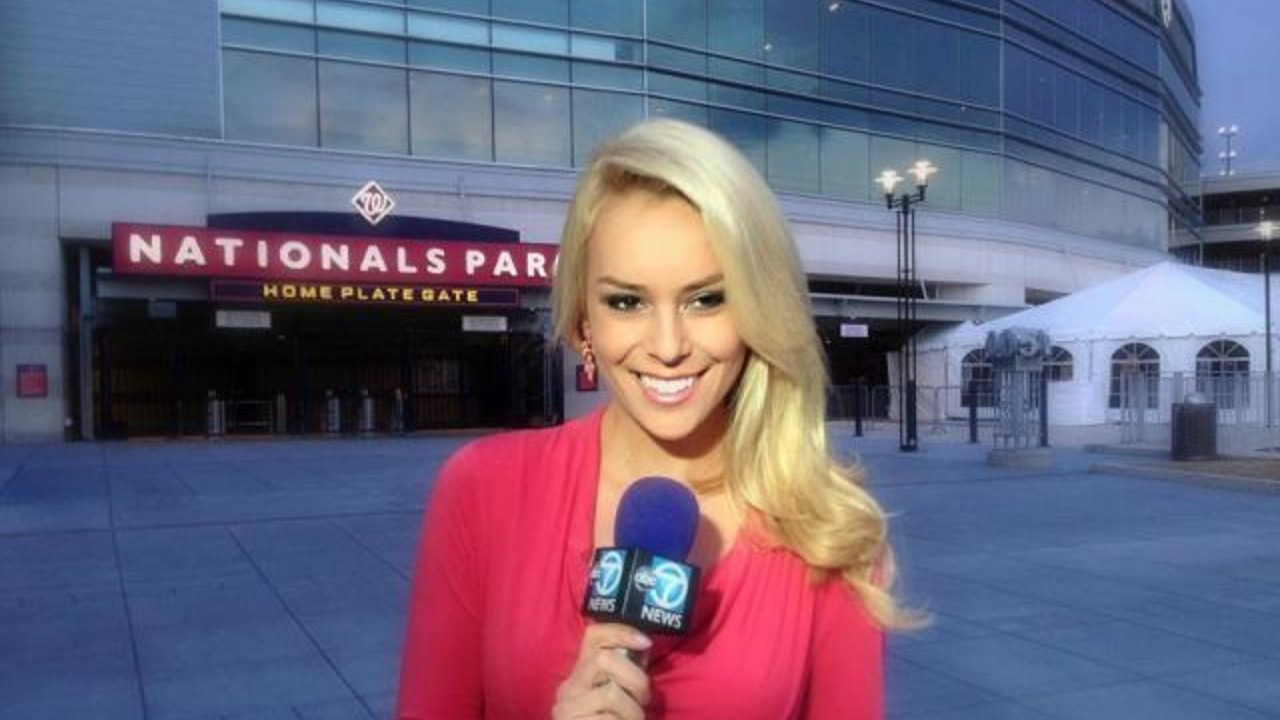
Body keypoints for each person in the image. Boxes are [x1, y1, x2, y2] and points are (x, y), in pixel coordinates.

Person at [396, 119, 910, 720]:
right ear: (584, 321)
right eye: (626, 301)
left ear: (759, 309)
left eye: (707, 299)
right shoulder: (483, 488)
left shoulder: (831, 530)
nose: (668, 346)